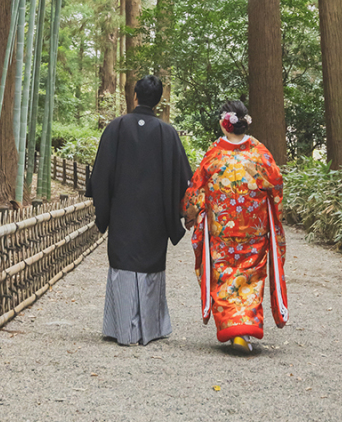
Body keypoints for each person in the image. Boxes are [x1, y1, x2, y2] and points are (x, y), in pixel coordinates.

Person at [87, 74, 192, 346]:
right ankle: (149, 330)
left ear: (134, 96)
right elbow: (184, 180)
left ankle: (122, 329)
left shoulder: (117, 127)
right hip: (156, 215)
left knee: (123, 265)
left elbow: (100, 175)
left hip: (123, 212)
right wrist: (178, 211)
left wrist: (104, 210)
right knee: (149, 267)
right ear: (158, 100)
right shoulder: (167, 133)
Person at [182, 97, 288, 354]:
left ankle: (234, 331)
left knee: (224, 276)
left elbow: (196, 188)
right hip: (254, 229)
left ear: (223, 124)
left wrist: (191, 214)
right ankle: (245, 329)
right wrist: (276, 212)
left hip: (223, 231)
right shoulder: (260, 153)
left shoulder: (214, 155)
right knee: (251, 277)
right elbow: (276, 185)